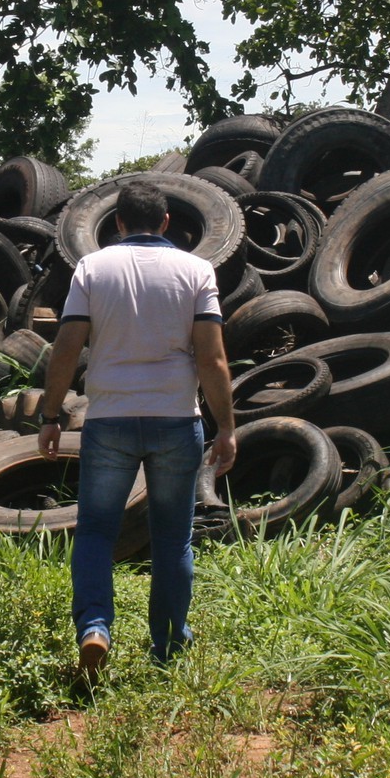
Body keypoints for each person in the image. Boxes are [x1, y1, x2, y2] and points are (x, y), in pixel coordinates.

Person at [38, 179, 236, 679]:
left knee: (97, 532)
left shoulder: (92, 267)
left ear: (118, 223)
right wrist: (227, 427)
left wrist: (50, 413)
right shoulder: (196, 271)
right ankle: (168, 646)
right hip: (176, 420)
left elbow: (66, 347)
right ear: (166, 222)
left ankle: (96, 628)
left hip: (110, 421)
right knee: (172, 539)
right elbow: (212, 359)